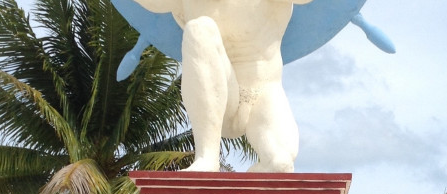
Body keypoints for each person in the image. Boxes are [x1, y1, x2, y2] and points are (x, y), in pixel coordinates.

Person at [132, 0, 312, 173]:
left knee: (280, 162)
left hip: (264, 93)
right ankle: (207, 157)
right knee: (199, 30)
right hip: (219, 94)